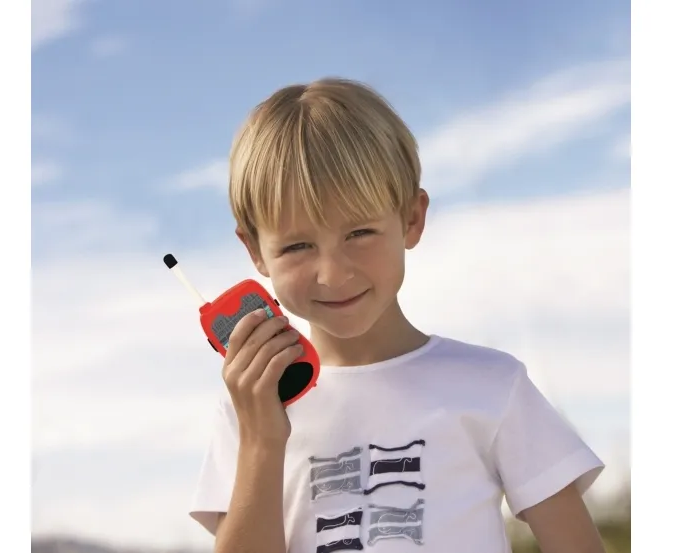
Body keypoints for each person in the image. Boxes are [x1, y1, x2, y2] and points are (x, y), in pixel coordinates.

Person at [188, 78, 606, 553]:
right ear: (255, 250)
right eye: (298, 246)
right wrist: (262, 442)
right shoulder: (248, 408)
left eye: (360, 233)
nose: (333, 274)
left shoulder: (494, 385)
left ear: (411, 219)